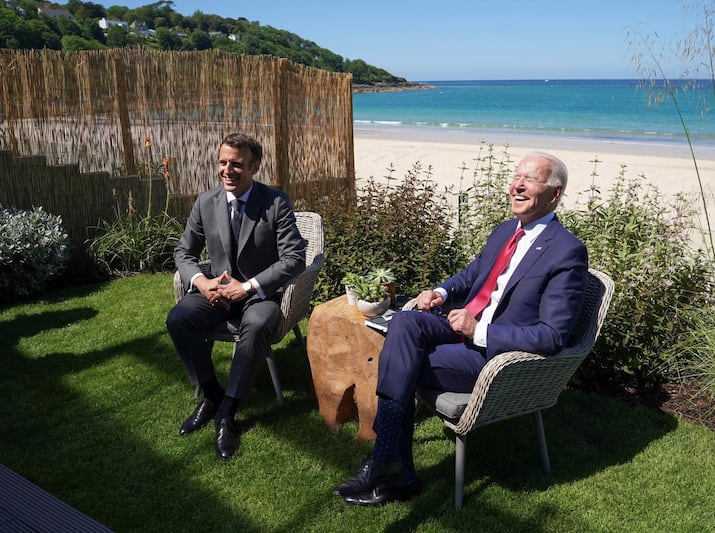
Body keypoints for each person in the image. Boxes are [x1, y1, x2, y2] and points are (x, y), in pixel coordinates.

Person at [332, 152, 589, 506]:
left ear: (554, 193)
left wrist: (479, 331)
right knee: (405, 323)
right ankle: (390, 462)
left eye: (529, 180)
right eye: (516, 176)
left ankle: (391, 465)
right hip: (460, 326)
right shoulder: (505, 231)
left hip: (494, 356)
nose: (516, 185)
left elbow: (553, 336)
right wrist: (440, 292)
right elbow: (473, 276)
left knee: (400, 363)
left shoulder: (566, 252)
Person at [166, 133, 306, 460]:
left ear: (255, 167)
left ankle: (227, 412)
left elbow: (294, 257)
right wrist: (202, 283)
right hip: (216, 294)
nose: (228, 170)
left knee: (256, 327)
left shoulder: (275, 202)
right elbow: (183, 251)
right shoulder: (206, 202)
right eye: (223, 163)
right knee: (179, 319)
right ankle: (212, 395)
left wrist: (247, 287)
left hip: (259, 296)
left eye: (237, 165)